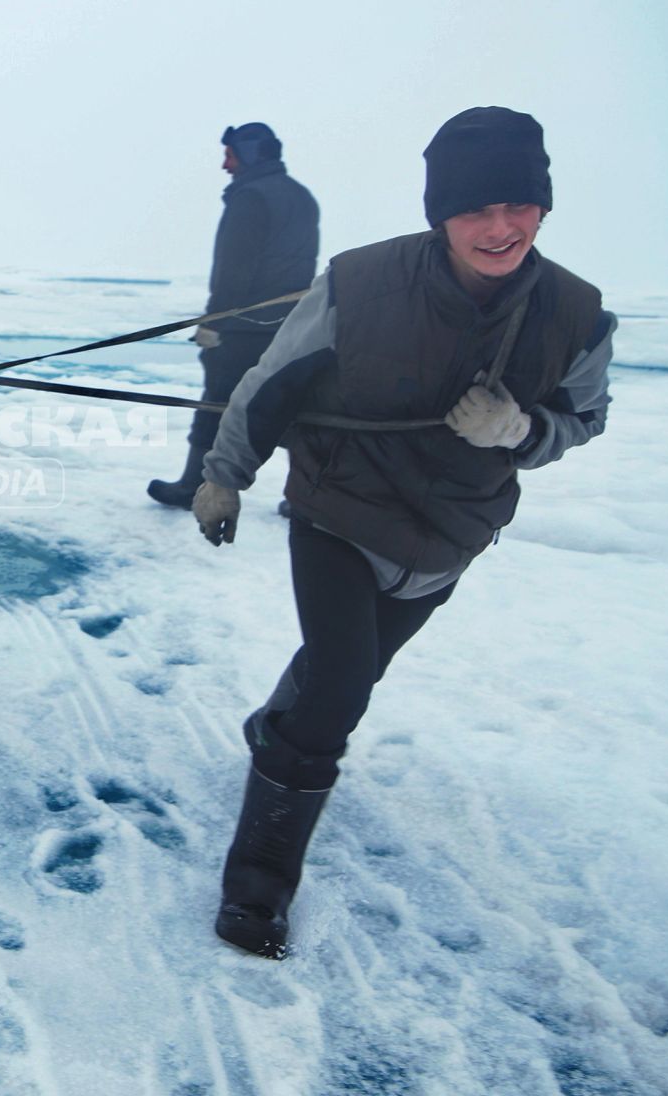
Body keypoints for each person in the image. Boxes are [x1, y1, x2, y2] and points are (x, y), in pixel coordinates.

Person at [191, 107, 615, 958]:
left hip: (451, 535)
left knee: (343, 674)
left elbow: (584, 420)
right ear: (439, 214)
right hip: (338, 510)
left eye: (518, 207)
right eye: (474, 211)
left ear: (543, 206)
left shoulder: (578, 315)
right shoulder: (360, 282)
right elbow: (270, 384)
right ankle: (258, 884)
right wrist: (222, 477)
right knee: (340, 691)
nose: (500, 229)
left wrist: (520, 431)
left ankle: (276, 728)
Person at [149, 122, 319, 507]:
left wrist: (213, 323)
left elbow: (233, 271)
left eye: (230, 154)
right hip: (292, 326)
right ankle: (307, 497)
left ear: (251, 153)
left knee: (215, 406)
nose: (226, 165)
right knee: (293, 408)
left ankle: (194, 484)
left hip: (244, 329)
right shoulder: (303, 197)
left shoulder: (251, 198)